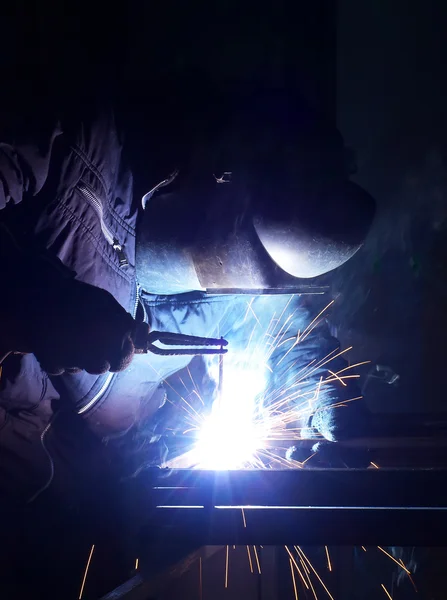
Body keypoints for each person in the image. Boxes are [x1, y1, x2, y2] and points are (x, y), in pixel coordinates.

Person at [0, 84, 375, 505]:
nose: (234, 278)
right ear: (223, 175)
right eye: (237, 253)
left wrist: (316, 387)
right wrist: (30, 302)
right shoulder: (73, 139)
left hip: (76, 493)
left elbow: (278, 327)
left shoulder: (233, 287)